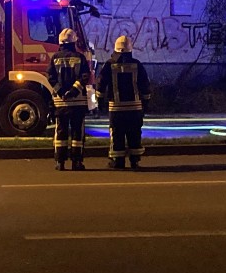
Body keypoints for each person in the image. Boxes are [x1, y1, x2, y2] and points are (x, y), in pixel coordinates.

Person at [97, 34, 151, 169]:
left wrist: (99, 101)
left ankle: (118, 161)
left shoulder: (109, 65)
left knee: (117, 134)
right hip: (134, 108)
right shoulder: (137, 64)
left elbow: (101, 84)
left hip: (116, 108)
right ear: (130, 49)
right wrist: (145, 104)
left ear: (115, 49)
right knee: (134, 134)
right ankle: (134, 160)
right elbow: (145, 85)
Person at [48, 27, 92, 171]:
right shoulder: (80, 57)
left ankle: (60, 163)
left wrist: (61, 91)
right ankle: (77, 162)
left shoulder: (55, 58)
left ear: (60, 42)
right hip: (78, 102)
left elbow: (51, 78)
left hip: (61, 103)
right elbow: (85, 77)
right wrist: (73, 91)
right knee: (77, 133)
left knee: (61, 132)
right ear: (74, 41)